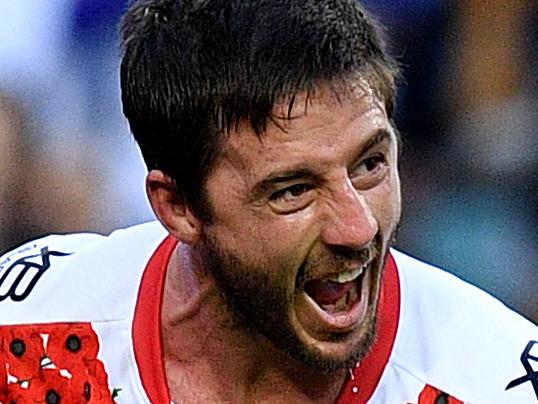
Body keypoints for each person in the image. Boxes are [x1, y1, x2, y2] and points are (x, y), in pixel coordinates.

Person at [0, 0, 536, 402]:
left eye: (370, 164)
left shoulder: (494, 384)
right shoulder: (24, 338)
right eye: (293, 191)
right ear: (179, 206)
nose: (358, 227)